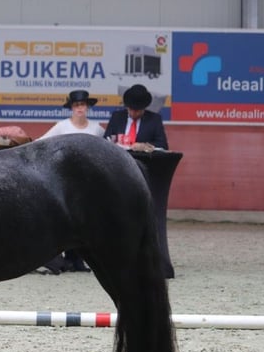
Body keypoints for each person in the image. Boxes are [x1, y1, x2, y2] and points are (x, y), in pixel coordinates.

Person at [39, 89, 104, 273]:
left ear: (88, 107)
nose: (80, 108)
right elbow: (41, 142)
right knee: (68, 220)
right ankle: (65, 258)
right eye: (76, 105)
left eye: (83, 104)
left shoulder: (97, 129)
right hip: (66, 182)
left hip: (89, 183)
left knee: (86, 221)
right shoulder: (61, 126)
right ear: (71, 108)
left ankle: (78, 260)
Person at [104, 83, 169, 151]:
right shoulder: (117, 117)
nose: (133, 113)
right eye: (130, 109)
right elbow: (106, 139)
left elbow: (163, 145)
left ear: (144, 108)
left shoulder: (154, 119)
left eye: (137, 110)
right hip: (120, 157)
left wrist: (144, 146)